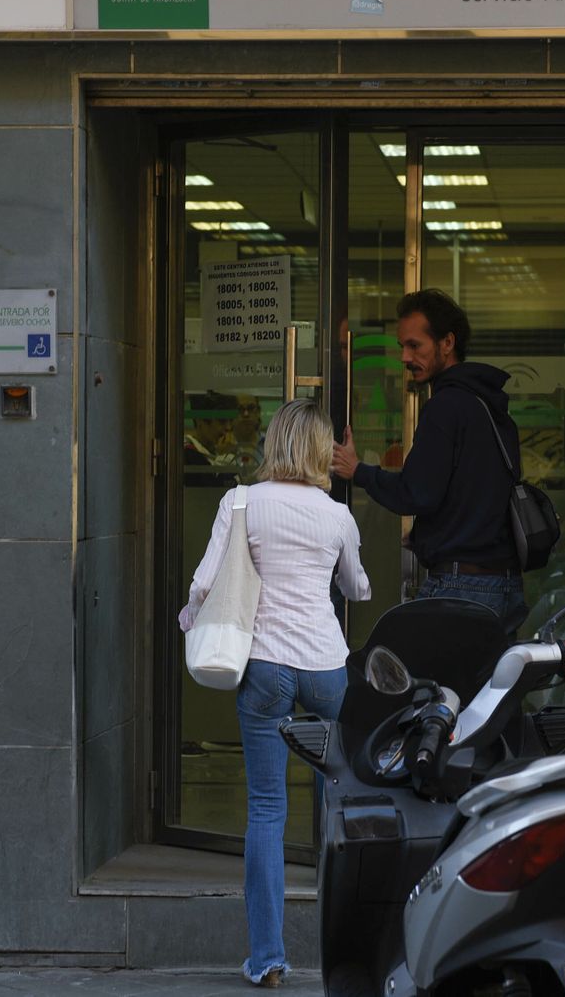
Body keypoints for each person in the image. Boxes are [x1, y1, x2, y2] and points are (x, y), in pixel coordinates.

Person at [177, 397, 371, 989]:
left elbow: (205, 582)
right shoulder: (336, 514)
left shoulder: (240, 501)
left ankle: (267, 959)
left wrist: (191, 618)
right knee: (342, 806)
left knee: (266, 809)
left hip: (263, 666)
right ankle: (351, 951)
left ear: (274, 442)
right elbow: (357, 588)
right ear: (319, 450)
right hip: (325, 666)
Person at [330, 289, 528, 629]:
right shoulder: (488, 405)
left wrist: (358, 470)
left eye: (414, 345)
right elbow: (470, 493)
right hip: (504, 585)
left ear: (447, 342)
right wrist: (430, 534)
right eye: (401, 346)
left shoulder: (445, 407)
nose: (405, 357)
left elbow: (416, 493)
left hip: (461, 586)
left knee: (405, 659)